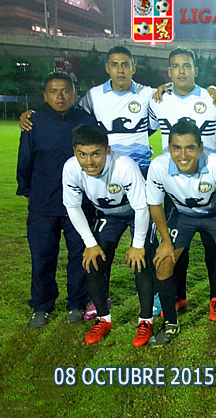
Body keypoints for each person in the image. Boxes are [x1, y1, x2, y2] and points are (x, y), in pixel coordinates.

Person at [19, 46, 165, 319]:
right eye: (114, 64)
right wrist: (31, 116)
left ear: (133, 67)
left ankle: (152, 296)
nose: (120, 70)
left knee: (144, 245)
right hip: (90, 181)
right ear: (107, 68)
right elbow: (61, 121)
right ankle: (78, 301)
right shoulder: (92, 98)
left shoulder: (147, 94)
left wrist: (171, 88)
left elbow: (166, 106)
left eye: (125, 64)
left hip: (136, 176)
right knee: (83, 249)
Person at [148, 47, 216, 322]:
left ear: (196, 70)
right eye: (176, 66)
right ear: (169, 72)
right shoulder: (158, 100)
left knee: (212, 246)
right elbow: (143, 128)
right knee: (174, 246)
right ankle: (176, 295)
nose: (181, 71)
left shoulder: (213, 99)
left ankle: (215, 297)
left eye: (186, 66)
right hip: (172, 184)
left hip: (208, 182)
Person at [146, 121, 216, 349]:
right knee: (164, 262)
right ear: (169, 148)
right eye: (176, 148)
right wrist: (165, 242)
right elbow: (155, 205)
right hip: (183, 216)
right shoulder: (158, 166)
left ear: (200, 147)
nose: (183, 155)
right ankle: (170, 323)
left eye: (190, 148)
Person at [16, 72, 97, 327]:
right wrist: (27, 192)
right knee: (42, 257)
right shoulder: (34, 123)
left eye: (65, 91)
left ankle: (77, 304)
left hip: (81, 204)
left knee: (79, 256)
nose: (60, 96)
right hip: (43, 204)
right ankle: (41, 306)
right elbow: (25, 160)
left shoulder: (87, 121)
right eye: (54, 91)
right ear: (45, 96)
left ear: (75, 94)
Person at [62, 125, 154, 346]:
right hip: (109, 215)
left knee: (141, 262)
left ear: (107, 150)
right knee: (94, 261)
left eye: (96, 154)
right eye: (82, 154)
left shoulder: (124, 166)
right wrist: (90, 243)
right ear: (74, 152)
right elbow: (72, 206)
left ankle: (145, 321)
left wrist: (138, 245)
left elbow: (141, 207)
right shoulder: (71, 168)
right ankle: (103, 318)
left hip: (137, 212)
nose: (89, 162)